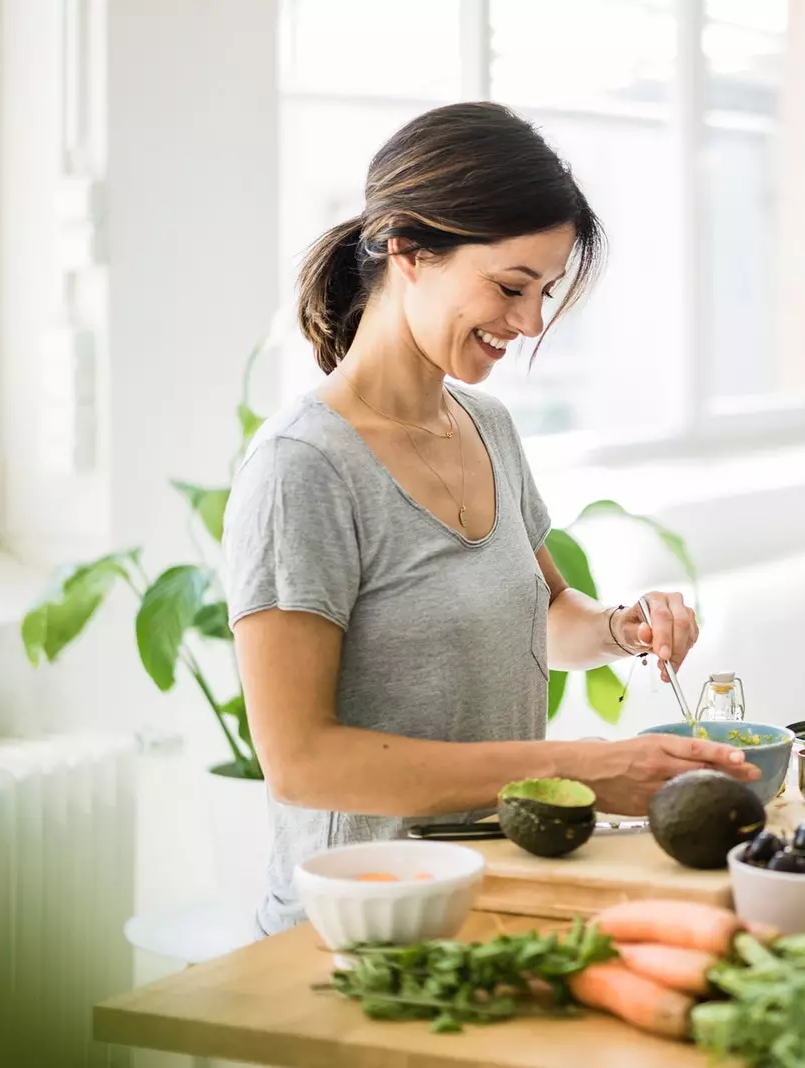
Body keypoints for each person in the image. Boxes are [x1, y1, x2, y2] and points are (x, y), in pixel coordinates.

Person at [223, 102, 758, 936]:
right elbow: (301, 762)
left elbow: (546, 617)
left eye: (544, 293)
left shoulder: (489, 427)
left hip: (494, 893)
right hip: (360, 926)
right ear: (407, 248)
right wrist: (582, 767)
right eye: (512, 286)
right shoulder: (304, 468)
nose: (532, 322)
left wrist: (623, 627)